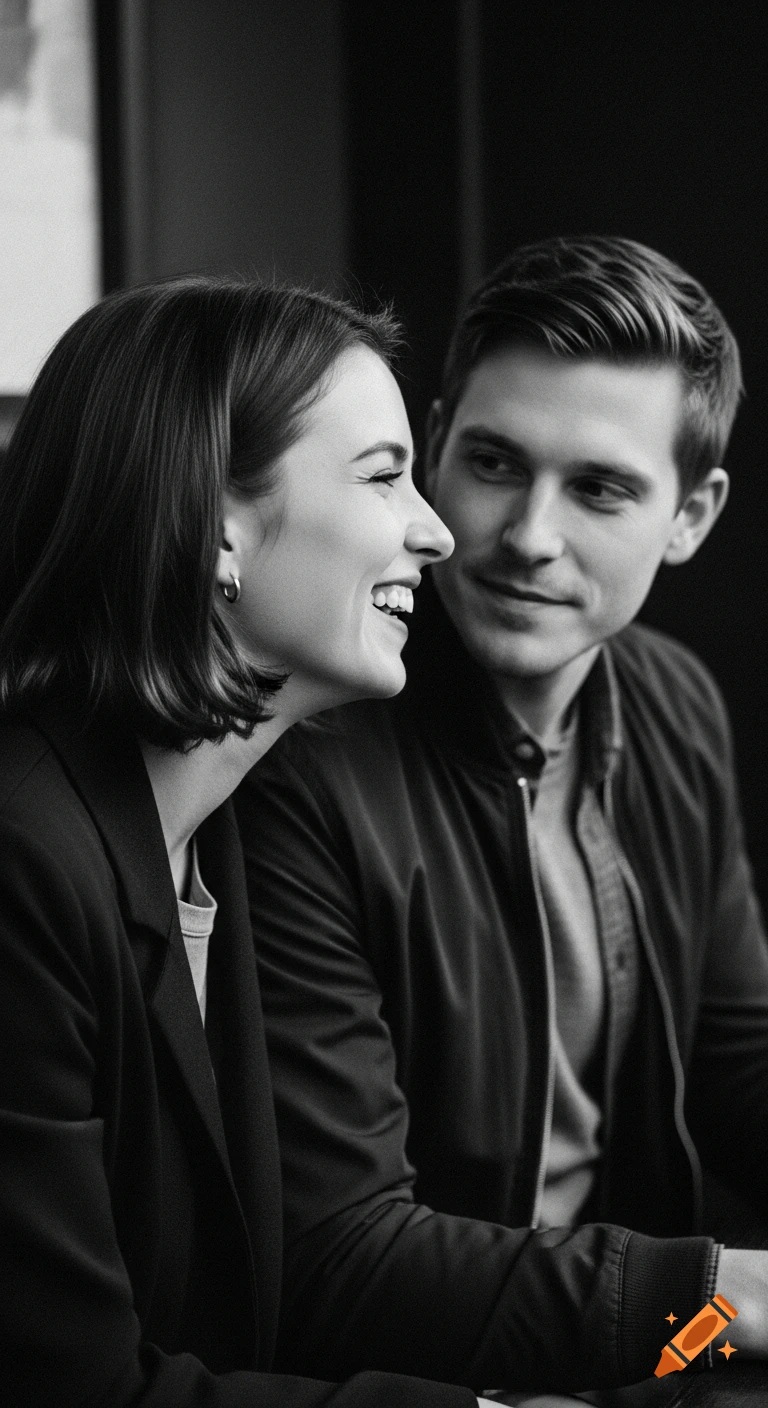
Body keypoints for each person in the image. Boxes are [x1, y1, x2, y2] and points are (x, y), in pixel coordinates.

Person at [236, 237, 768, 1404]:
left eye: (601, 487)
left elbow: (735, 1063)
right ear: (431, 446)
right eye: (492, 463)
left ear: (692, 514)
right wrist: (727, 1298)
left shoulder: (677, 704)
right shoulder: (301, 755)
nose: (529, 535)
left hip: (639, 1362)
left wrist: (705, 1316)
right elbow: (340, 1256)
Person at [0, 274, 489, 1408]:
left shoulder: (203, 832)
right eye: (384, 476)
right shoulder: (25, 858)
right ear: (217, 523)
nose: (438, 528)